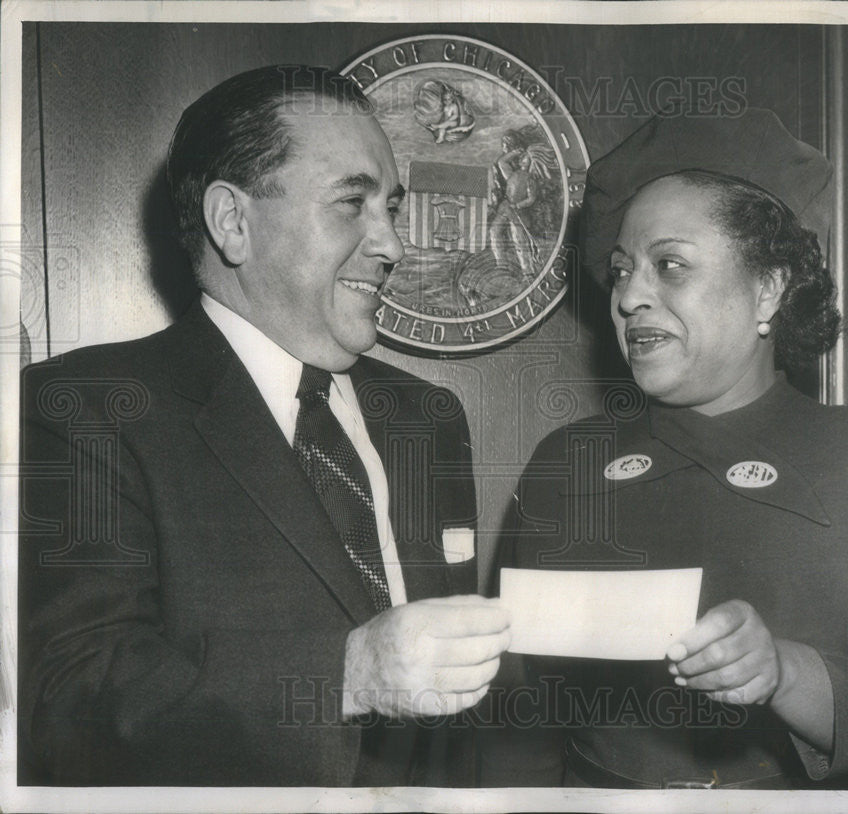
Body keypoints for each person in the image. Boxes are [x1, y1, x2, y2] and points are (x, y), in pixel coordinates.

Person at [19, 65, 510, 786]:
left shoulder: (428, 419)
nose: (393, 247)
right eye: (352, 203)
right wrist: (349, 674)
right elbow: (73, 702)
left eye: (392, 208)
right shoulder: (86, 409)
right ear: (233, 223)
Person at [493, 108, 848, 789]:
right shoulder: (564, 463)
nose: (628, 298)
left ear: (767, 288)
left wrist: (779, 670)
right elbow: (514, 715)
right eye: (620, 271)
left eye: (668, 265)